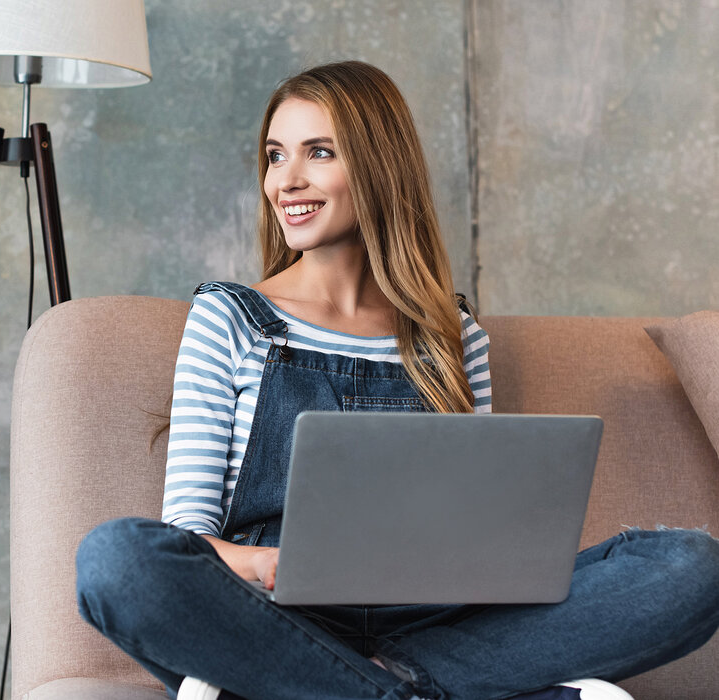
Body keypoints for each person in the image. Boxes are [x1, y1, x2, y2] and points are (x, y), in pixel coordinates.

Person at [75, 61, 719, 700]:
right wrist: (268, 565)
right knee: (117, 562)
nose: (286, 181)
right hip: (276, 615)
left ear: (380, 167)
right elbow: (186, 538)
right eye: (275, 156)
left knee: (692, 567)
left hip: (440, 624)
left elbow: (480, 531)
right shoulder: (231, 318)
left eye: (318, 152)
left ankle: (376, 686)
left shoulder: (450, 333)